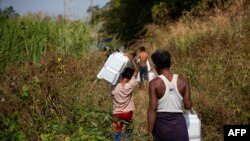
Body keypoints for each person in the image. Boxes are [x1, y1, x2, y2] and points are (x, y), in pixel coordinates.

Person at [147, 49, 192, 141]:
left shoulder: (154, 83)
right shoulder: (183, 81)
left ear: (155, 66)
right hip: (179, 125)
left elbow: (152, 109)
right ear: (170, 63)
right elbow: (188, 105)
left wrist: (149, 133)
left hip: (162, 127)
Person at [111, 53, 138, 141]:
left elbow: (114, 75)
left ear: (121, 75)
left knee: (117, 134)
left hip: (116, 113)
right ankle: (127, 139)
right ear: (130, 77)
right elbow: (136, 71)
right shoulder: (129, 86)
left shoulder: (114, 86)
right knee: (128, 132)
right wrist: (131, 59)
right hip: (127, 113)